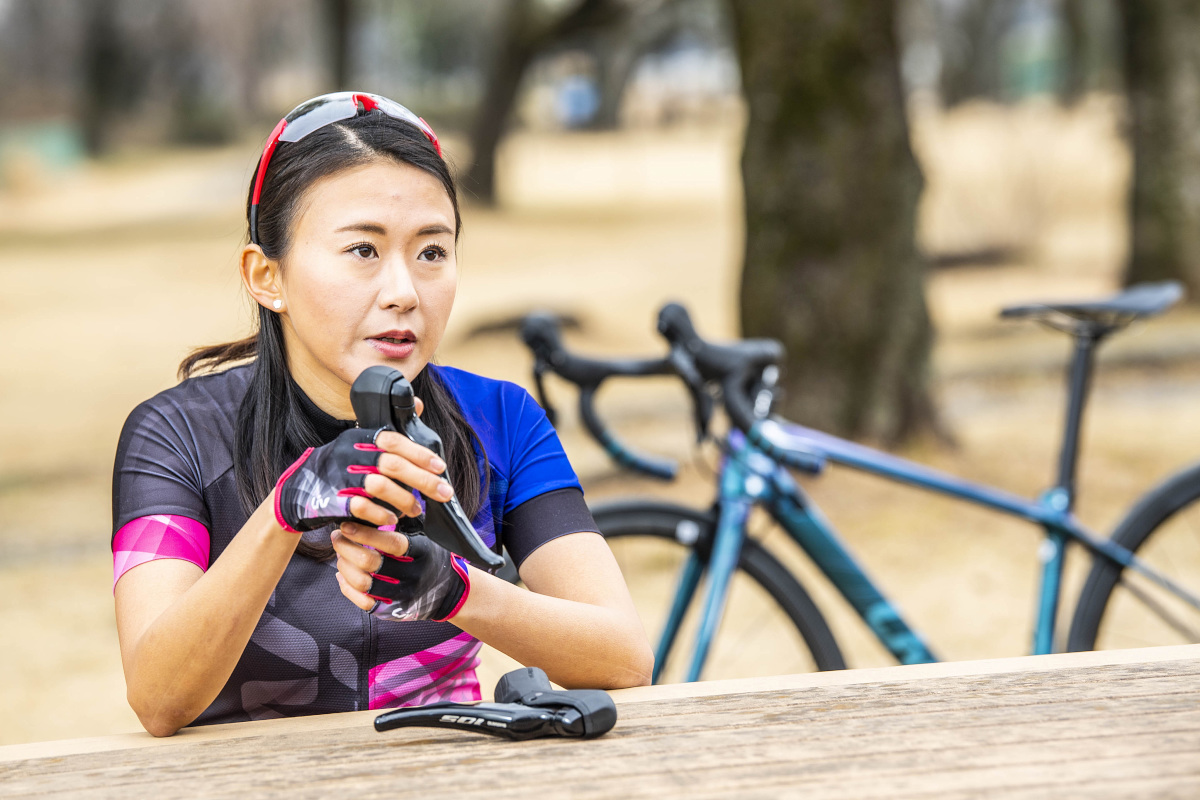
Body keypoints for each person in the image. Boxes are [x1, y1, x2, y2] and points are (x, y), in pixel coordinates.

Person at [111, 92, 653, 737]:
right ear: (266, 276)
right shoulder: (175, 434)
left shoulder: (500, 418)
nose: (403, 292)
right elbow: (157, 697)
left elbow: (623, 657)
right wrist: (285, 512)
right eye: (363, 250)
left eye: (432, 252)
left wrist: (458, 593)